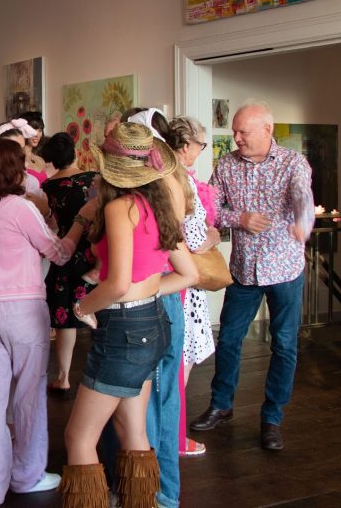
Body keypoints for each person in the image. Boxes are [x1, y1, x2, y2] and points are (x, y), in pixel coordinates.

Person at [60, 122, 197, 508]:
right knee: (132, 431)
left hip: (122, 330)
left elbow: (118, 283)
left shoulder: (121, 208)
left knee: (79, 437)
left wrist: (82, 308)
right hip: (154, 324)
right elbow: (189, 274)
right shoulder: (160, 206)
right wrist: (147, 291)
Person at [0, 139, 86, 505]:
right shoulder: (20, 208)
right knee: (28, 397)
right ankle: (27, 476)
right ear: (13, 171)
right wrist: (78, 224)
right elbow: (59, 253)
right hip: (23, 313)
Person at [191, 100, 314, 452]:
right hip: (244, 270)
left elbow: (303, 198)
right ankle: (221, 405)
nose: (236, 138)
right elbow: (211, 209)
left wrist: (304, 223)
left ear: (266, 130)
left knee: (285, 345)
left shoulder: (293, 163)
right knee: (228, 338)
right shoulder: (227, 164)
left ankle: (272, 417)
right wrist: (239, 219)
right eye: (234, 131)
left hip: (285, 270)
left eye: (243, 131)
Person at [164, 116, 218, 457]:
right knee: (180, 362)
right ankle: (174, 439)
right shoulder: (180, 181)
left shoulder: (167, 176)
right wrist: (213, 236)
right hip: (182, 280)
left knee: (177, 360)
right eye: (200, 145)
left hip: (174, 278)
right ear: (185, 146)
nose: (200, 151)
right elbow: (192, 238)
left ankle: (172, 437)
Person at [39, 132, 98, 395]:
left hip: (66, 251)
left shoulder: (49, 186)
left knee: (65, 320)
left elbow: (52, 223)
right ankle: (98, 376)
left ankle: (63, 377)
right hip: (94, 252)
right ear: (74, 153)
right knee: (99, 311)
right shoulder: (92, 178)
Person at [17, 111, 48, 184]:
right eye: (33, 129)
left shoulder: (41, 160)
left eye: (40, 130)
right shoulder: (15, 159)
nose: (37, 135)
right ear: (22, 130)